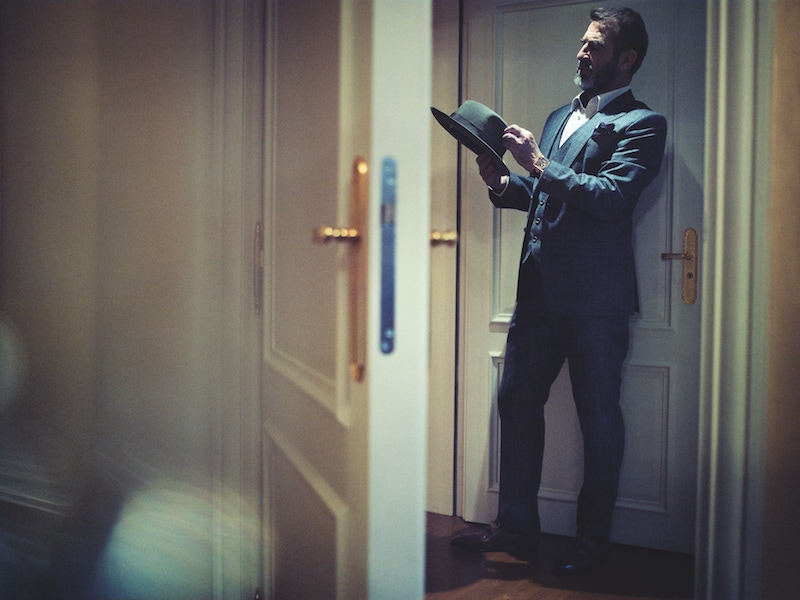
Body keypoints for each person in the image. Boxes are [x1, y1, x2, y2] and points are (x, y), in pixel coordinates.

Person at [450, 7, 667, 576]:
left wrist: (540, 164)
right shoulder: (555, 117)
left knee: (599, 417)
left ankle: (592, 539)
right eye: (582, 44)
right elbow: (547, 195)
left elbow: (610, 197)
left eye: (595, 47)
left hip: (597, 301)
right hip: (539, 293)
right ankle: (518, 527)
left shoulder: (645, 124)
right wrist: (503, 182)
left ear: (627, 59)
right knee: (516, 399)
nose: (582, 54)